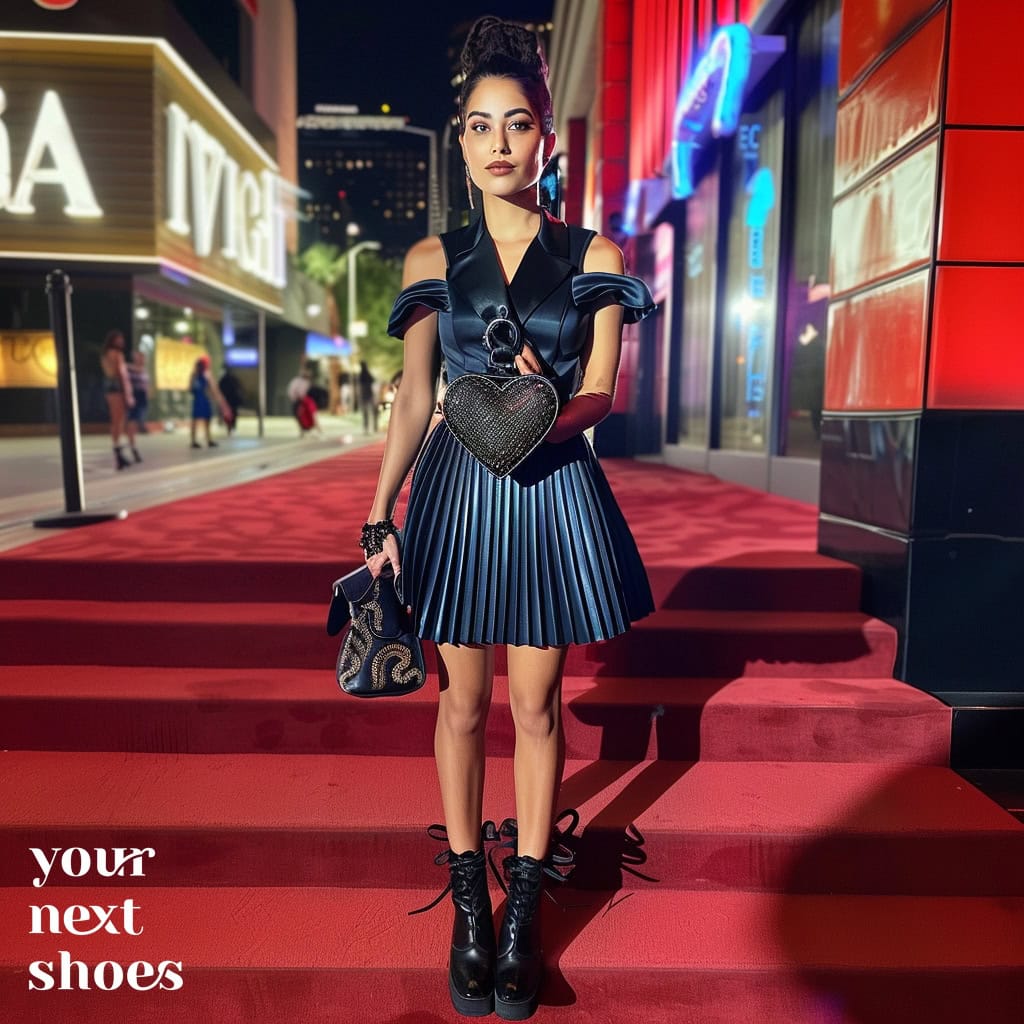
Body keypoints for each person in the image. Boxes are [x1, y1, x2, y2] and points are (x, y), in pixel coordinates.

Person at [362, 17, 655, 1020]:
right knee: (459, 703)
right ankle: (466, 908)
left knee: (536, 707)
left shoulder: (593, 253)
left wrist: (541, 405)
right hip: (452, 488)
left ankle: (524, 904)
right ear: (459, 137)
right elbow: (412, 396)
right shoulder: (428, 256)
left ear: (546, 139)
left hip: (547, 485)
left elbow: (605, 391)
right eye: (480, 125)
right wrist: (377, 514)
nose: (498, 143)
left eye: (517, 124)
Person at [99, 329, 135, 470]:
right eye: (119, 339)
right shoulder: (117, 354)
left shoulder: (105, 354)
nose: (122, 342)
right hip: (117, 388)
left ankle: (119, 451)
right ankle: (118, 452)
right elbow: (121, 373)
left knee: (116, 420)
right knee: (118, 421)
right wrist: (127, 393)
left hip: (109, 388)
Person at [188, 354, 226, 449]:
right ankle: (198, 440)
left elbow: (212, 388)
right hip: (201, 399)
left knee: (205, 420)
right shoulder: (197, 375)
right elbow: (212, 388)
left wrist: (215, 397)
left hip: (202, 399)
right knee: (198, 420)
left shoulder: (202, 375)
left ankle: (206, 439)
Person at [124, 349, 149, 463]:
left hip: (142, 398)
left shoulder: (144, 371)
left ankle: (133, 445)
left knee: (136, 422)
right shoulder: (129, 369)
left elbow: (146, 385)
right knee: (132, 423)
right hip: (134, 397)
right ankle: (132, 447)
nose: (142, 359)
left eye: (143, 357)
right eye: (140, 357)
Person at [218, 366, 243, 434]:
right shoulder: (233, 379)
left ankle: (230, 426)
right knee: (233, 413)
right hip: (232, 400)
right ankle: (232, 426)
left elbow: (220, 390)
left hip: (227, 400)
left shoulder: (223, 380)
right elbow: (239, 388)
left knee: (229, 414)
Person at [357, 360, 379, 433]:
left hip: (364, 396)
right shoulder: (368, 375)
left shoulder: (360, 376)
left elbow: (359, 388)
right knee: (373, 412)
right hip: (370, 395)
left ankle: (366, 428)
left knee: (365, 413)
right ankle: (375, 427)